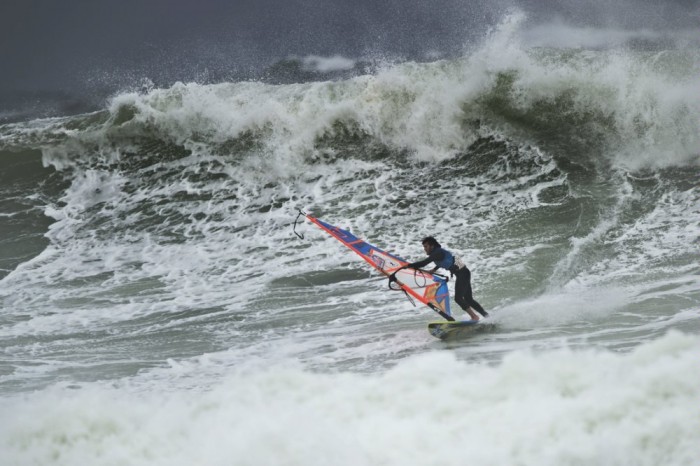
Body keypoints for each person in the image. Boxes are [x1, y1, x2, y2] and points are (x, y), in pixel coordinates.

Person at [393, 236, 488, 321]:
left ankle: (474, 317)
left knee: (458, 298)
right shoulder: (438, 252)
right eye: (424, 247)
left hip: (462, 273)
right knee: (468, 299)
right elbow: (448, 259)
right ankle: (487, 316)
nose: (424, 249)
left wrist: (408, 265)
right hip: (463, 273)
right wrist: (434, 269)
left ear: (432, 246)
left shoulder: (436, 253)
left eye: (426, 246)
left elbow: (423, 263)